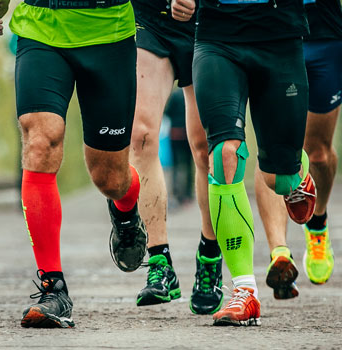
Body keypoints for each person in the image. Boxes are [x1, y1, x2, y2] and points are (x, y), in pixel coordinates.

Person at [0, 0, 148, 328]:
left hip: (109, 33)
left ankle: (126, 213)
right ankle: (53, 288)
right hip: (40, 28)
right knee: (40, 143)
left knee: (110, 179)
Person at [178, 0, 317, 326]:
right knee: (224, 153)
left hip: (280, 31)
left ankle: (298, 172)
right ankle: (244, 291)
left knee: (279, 180)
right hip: (218, 35)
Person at [128, 1, 223, 316]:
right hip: (150, 19)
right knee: (140, 137)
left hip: (206, 21)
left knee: (205, 146)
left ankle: (210, 257)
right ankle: (159, 261)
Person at [256, 0, 342, 299]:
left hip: (323, 30)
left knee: (318, 152)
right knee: (272, 148)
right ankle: (279, 253)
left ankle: (317, 224)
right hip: (272, 27)